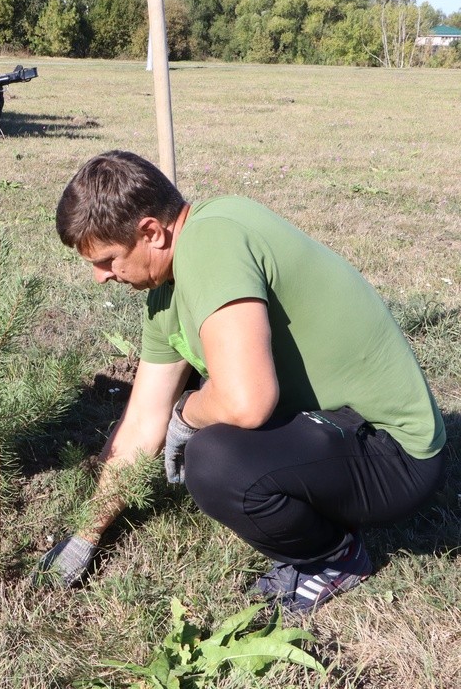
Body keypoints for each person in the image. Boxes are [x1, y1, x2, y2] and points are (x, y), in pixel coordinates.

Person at [35, 150, 447, 613]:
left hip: (395, 454)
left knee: (215, 459)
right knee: (207, 434)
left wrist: (186, 416)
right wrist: (86, 536)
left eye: (108, 259)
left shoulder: (213, 240)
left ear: (151, 232)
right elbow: (142, 422)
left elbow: (246, 401)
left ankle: (335, 558)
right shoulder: (165, 290)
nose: (100, 278)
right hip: (338, 428)